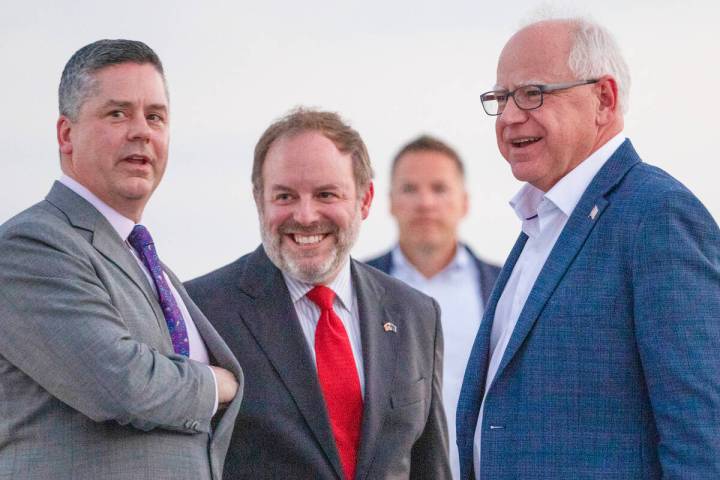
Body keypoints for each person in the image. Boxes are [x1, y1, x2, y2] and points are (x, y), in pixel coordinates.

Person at [456, 16, 720, 479]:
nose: (511, 116)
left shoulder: (657, 215)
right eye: (501, 98)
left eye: (533, 93)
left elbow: (704, 437)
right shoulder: (541, 223)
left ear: (604, 99)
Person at [0, 39, 242, 480]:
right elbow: (119, 382)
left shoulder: (152, 265)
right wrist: (214, 385)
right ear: (66, 134)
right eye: (118, 113)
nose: (141, 131)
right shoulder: (28, 246)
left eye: (155, 116)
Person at [186, 108, 451, 479]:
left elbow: (430, 466)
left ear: (365, 199)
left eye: (326, 194)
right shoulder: (201, 311)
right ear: (259, 200)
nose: (306, 215)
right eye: (285, 196)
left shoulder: (415, 314)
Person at [366, 134, 500, 479]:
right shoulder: (357, 289)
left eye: (439, 189)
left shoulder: (505, 288)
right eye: (410, 189)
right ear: (390, 202)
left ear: (465, 202)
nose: (425, 202)